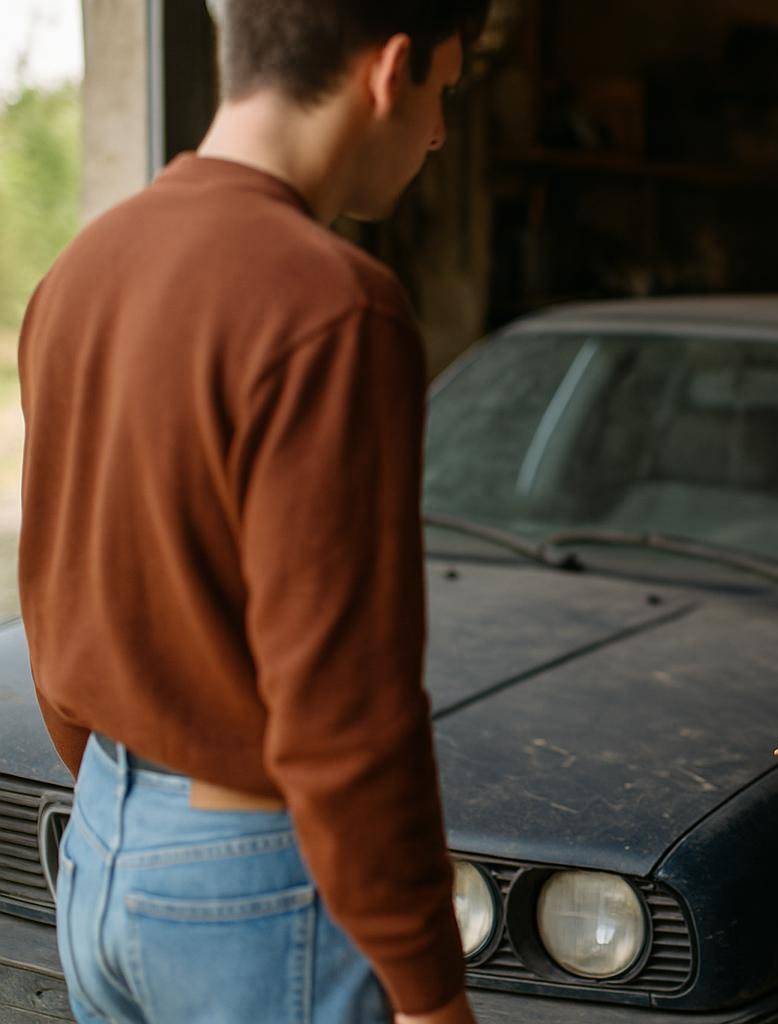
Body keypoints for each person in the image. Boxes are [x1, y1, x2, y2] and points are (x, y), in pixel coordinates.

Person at [18, 2, 489, 1021]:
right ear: (389, 70)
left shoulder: (80, 270)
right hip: (250, 877)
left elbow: (56, 587)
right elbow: (344, 704)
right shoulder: (332, 304)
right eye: (443, 92)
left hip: (99, 843)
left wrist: (136, 788)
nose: (440, 132)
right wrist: (427, 985)